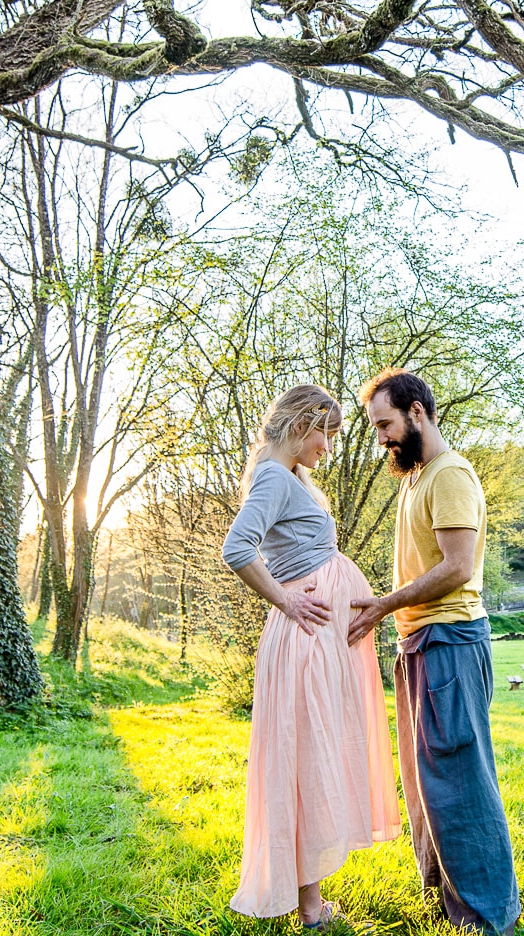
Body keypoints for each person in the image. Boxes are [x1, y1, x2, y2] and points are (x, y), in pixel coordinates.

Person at [347, 369, 522, 936]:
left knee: (461, 782)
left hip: (450, 640)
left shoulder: (450, 475)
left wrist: (382, 605)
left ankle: (487, 917)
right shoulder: (416, 477)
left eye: (385, 426)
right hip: (421, 642)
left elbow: (457, 567)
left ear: (417, 412)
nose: (381, 440)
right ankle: (446, 897)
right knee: (427, 782)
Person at [221, 384, 399, 929]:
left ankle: (311, 902)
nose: (328, 448)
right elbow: (237, 548)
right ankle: (310, 906)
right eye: (326, 434)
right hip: (306, 633)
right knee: (310, 758)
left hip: (318, 637)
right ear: (302, 424)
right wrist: (287, 599)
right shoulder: (274, 475)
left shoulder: (286, 475)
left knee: (314, 757)